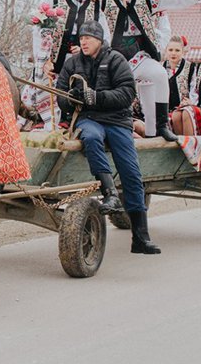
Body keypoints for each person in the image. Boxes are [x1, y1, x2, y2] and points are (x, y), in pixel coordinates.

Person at [56, 20, 160, 254]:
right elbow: (60, 95)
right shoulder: (72, 63)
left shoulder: (116, 60)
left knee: (132, 173)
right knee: (91, 137)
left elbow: (127, 93)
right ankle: (110, 193)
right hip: (88, 119)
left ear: (99, 41)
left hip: (117, 121)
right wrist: (70, 99)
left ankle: (141, 238)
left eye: (88, 38)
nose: (83, 42)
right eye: (81, 38)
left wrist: (94, 97)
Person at [99, 0, 201, 141]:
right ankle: (115, 128)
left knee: (159, 74)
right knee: (116, 90)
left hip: (139, 55)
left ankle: (161, 126)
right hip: (115, 58)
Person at [27, 0, 110, 130]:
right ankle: (43, 117)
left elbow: (104, 35)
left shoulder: (94, 3)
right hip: (53, 55)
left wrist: (89, 48)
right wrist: (43, 60)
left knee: (77, 81)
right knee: (46, 83)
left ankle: (70, 116)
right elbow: (38, 30)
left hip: (80, 58)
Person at [164, 35, 198, 112]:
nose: (173, 53)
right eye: (170, 50)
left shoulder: (190, 68)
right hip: (164, 110)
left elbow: (194, 88)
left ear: (183, 51)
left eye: (177, 50)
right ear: (166, 50)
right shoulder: (161, 68)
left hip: (184, 109)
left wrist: (190, 101)